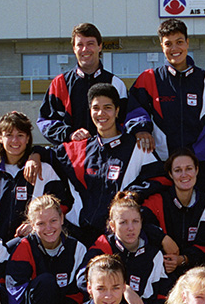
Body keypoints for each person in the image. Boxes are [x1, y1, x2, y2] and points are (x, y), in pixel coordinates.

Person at [38, 83, 165, 246]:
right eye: (96, 108)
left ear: (117, 111)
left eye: (107, 107)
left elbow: (161, 179)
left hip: (119, 238)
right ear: (90, 111)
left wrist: (132, 194)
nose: (101, 113)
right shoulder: (79, 147)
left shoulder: (137, 147)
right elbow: (49, 155)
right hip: (80, 237)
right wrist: (35, 154)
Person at [126, 19, 205, 194]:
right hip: (162, 168)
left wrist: (193, 159)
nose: (174, 48)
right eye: (168, 44)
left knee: (201, 218)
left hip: (197, 169)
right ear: (162, 46)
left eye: (179, 42)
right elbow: (133, 109)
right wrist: (141, 129)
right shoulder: (149, 78)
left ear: (187, 43)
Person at [0, 111, 66, 242]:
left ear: (27, 138)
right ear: (0, 138)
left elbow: (63, 205)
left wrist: (35, 224)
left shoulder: (44, 169)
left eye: (20, 135)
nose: (15, 141)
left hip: (32, 245)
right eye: (9, 135)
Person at [78, 191, 169, 304]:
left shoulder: (154, 255)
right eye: (123, 222)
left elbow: (163, 295)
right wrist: (123, 289)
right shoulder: (103, 247)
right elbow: (82, 279)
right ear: (113, 226)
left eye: (135, 221)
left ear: (141, 222)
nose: (130, 228)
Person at [4, 195, 86, 304]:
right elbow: (16, 301)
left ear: (62, 219)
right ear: (32, 225)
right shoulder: (24, 247)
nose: (48, 228)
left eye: (53, 221)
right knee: (46, 282)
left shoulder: (77, 249)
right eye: (41, 223)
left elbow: (77, 299)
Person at [37, 22, 128, 145]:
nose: (85, 49)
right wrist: (69, 134)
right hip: (71, 157)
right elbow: (45, 121)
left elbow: (126, 122)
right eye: (80, 45)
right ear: (74, 49)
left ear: (100, 46)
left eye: (90, 44)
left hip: (109, 157)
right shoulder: (59, 84)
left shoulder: (115, 84)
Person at [141, 148, 205, 284]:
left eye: (189, 168)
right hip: (161, 273)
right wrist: (163, 239)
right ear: (170, 174)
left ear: (197, 171)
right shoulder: (157, 200)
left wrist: (183, 259)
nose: (184, 175)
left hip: (195, 275)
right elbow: (138, 224)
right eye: (177, 170)